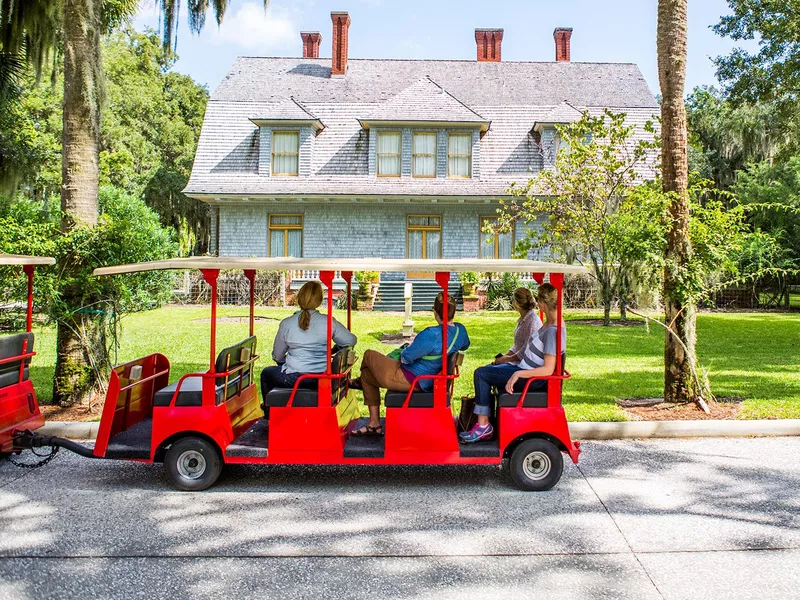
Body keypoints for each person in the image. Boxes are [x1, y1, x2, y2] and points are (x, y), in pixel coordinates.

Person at [350, 292, 470, 436]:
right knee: (367, 376)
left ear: (435, 313)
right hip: (428, 379)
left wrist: (407, 348)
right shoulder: (460, 331)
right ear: (453, 312)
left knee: (369, 354)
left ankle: (357, 384)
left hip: (412, 378)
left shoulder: (432, 334)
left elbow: (405, 358)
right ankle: (374, 424)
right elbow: (465, 345)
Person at [461, 283, 565, 444]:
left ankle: (483, 426)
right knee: (486, 370)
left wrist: (518, 373)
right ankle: (488, 420)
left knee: (481, 374)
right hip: (525, 369)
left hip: (532, 379)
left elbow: (548, 369)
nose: (536, 303)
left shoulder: (552, 331)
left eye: (538, 300)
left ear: (544, 303)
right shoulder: (549, 324)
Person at [260, 281, 357, 405]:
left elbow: (277, 356)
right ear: (319, 300)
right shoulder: (328, 321)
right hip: (323, 377)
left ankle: (269, 413)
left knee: (267, 373)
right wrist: (334, 349)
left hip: (295, 378)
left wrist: (287, 363)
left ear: (299, 298)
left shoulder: (287, 323)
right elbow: (350, 340)